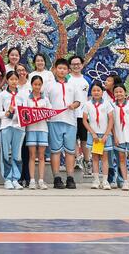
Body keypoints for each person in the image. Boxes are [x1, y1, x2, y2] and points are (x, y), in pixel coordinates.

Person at [45, 58, 81, 189]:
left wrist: (74, 105)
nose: (62, 70)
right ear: (54, 69)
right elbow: (45, 102)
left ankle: (70, 178)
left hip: (70, 121)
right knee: (55, 151)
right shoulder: (48, 85)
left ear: (68, 71)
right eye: (59, 68)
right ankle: (57, 178)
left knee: (70, 151)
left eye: (64, 69)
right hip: (54, 121)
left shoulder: (73, 85)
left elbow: (78, 101)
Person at [0, 71, 26, 190]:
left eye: (16, 79)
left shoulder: (22, 95)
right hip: (6, 126)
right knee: (6, 153)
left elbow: (25, 112)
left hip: (19, 127)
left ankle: (16, 178)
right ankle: (7, 179)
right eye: (11, 79)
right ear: (7, 81)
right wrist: (7, 112)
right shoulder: (2, 95)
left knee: (17, 154)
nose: (14, 81)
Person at [83, 82, 114, 190]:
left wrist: (106, 134)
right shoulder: (87, 104)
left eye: (98, 90)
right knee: (95, 158)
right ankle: (96, 180)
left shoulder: (107, 104)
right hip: (94, 135)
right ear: (91, 92)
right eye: (94, 90)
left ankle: (105, 181)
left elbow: (111, 119)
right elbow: (85, 120)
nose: (96, 92)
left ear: (102, 92)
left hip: (104, 135)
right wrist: (92, 133)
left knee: (104, 158)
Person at [25, 75, 50, 190]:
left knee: (41, 156)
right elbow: (24, 114)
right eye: (35, 84)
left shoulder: (45, 99)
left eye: (39, 84)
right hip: (31, 129)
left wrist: (43, 113)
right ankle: (32, 180)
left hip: (43, 129)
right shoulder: (27, 99)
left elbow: (50, 115)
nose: (37, 86)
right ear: (31, 85)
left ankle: (41, 180)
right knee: (32, 155)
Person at [69, 55, 92, 177]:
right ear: (70, 66)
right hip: (70, 115)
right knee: (73, 139)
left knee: (84, 140)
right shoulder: (67, 79)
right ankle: (77, 159)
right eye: (73, 64)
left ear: (82, 65)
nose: (76, 66)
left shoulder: (87, 80)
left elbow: (90, 98)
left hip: (84, 115)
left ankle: (87, 162)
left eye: (78, 64)